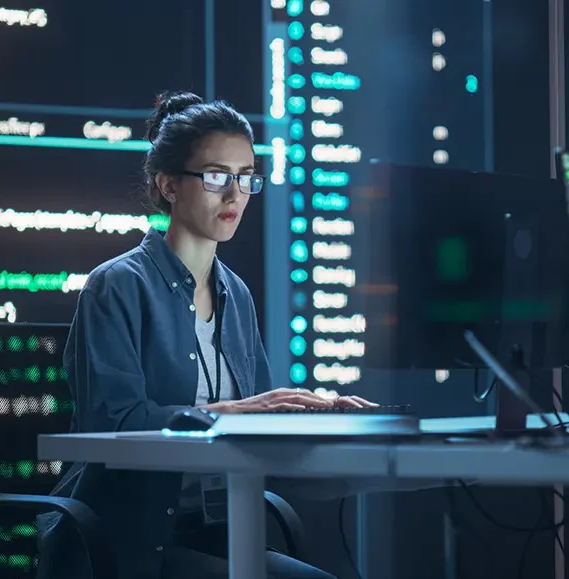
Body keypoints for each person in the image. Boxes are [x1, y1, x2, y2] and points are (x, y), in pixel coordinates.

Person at [36, 91, 375, 579]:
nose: (234, 194)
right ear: (168, 184)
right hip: (131, 545)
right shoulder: (117, 285)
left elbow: (260, 428)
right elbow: (115, 425)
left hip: (217, 534)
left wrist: (319, 413)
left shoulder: (236, 295)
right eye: (216, 176)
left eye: (245, 177)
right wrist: (230, 413)